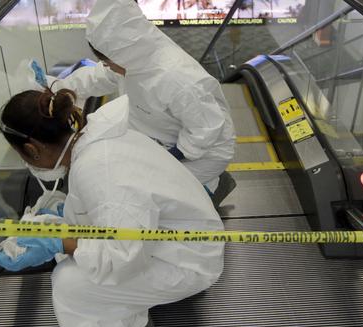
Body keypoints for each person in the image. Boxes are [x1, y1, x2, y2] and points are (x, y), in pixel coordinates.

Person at [0, 87, 225, 327]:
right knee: (75, 260)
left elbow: (122, 258)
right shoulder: (96, 139)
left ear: (32, 149)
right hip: (174, 239)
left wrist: (57, 241)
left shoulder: (100, 170)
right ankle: (128, 303)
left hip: (188, 262)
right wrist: (64, 221)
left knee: (69, 285)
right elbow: (116, 213)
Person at [48, 0, 235, 196]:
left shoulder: (177, 78)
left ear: (123, 53)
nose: (106, 66)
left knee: (152, 190)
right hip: (167, 132)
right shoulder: (132, 59)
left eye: (107, 61)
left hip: (206, 151)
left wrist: (176, 155)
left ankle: (210, 188)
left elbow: (206, 129)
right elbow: (98, 77)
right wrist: (55, 86)